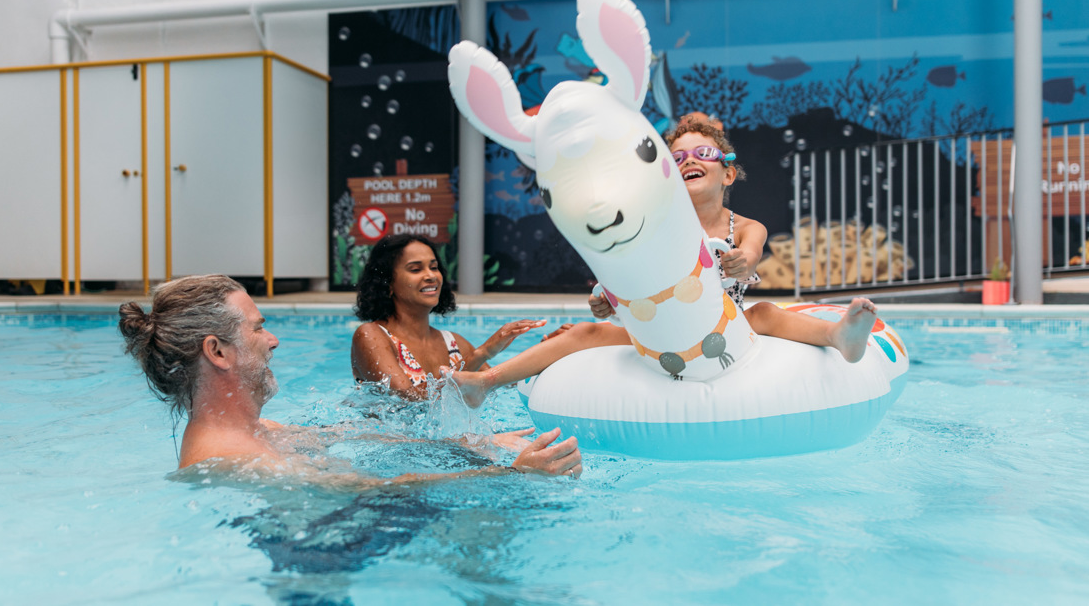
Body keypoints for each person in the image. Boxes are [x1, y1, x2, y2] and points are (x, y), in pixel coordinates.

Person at [450, 118, 879, 408]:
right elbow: (630, 279)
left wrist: (740, 263)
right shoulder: (652, 228)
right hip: (662, 330)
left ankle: (838, 335)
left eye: (704, 154)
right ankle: (487, 382)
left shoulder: (746, 225)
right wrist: (608, 302)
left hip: (723, 325)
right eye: (677, 158)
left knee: (764, 312)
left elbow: (750, 254)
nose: (689, 160)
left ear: (727, 174)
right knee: (585, 331)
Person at [119, 274, 581, 481]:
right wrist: (508, 474)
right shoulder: (225, 462)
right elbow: (377, 490)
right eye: (258, 327)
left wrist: (475, 446)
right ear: (217, 352)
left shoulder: (260, 434)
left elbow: (368, 441)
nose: (274, 340)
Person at [350, 234, 548, 399]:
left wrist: (544, 354)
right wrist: (482, 353)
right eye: (416, 269)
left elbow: (500, 386)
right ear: (388, 282)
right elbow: (406, 399)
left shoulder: (454, 344)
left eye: (434, 267)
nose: (431, 276)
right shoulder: (371, 335)